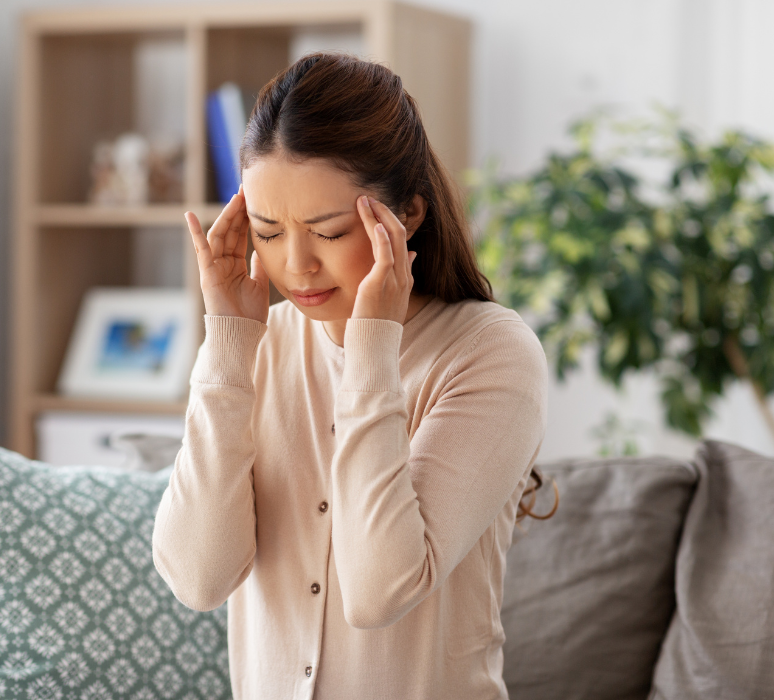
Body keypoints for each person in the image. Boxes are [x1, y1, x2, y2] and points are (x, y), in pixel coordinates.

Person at [152, 52, 552, 699]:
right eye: (268, 231)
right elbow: (198, 580)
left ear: (409, 216)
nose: (297, 265)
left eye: (328, 231)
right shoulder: (261, 346)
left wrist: (371, 349)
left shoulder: (490, 352)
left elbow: (378, 591)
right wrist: (227, 342)